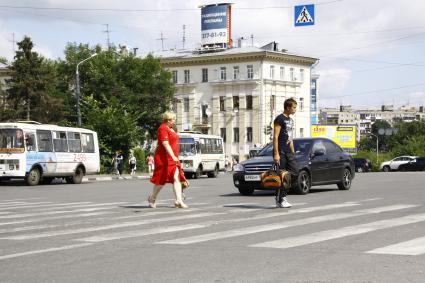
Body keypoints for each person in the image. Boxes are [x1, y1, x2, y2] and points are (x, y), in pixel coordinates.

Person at [148, 111, 189, 209]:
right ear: (167, 120)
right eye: (172, 120)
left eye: (174, 119)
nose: (173, 121)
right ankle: (152, 198)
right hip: (163, 158)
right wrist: (173, 156)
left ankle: (179, 200)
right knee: (161, 180)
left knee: (176, 178)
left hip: (173, 158)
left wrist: (175, 156)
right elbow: (165, 143)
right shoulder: (162, 128)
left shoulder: (172, 129)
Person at [273, 98, 299, 208]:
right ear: (287, 107)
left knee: (295, 172)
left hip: (289, 151)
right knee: (283, 175)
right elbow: (275, 137)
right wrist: (276, 154)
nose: (295, 109)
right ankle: (281, 198)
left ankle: (281, 196)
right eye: (294, 107)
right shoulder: (279, 119)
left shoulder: (291, 120)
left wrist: (293, 153)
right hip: (281, 151)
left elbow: (290, 138)